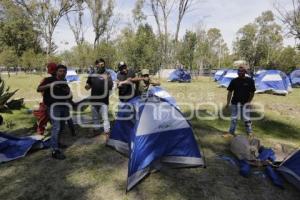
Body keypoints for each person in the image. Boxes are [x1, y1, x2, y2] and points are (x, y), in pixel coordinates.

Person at [37, 65, 73, 160]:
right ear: (56, 72)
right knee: (56, 127)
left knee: (61, 126)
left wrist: (69, 93)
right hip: (53, 107)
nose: (62, 73)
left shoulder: (64, 81)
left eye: (64, 71)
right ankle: (54, 150)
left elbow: (67, 93)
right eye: (60, 71)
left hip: (64, 106)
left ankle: (57, 142)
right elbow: (38, 89)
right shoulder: (49, 79)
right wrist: (49, 85)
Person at [224, 66, 256, 138]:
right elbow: (229, 92)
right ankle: (231, 133)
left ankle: (249, 133)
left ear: (245, 72)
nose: (240, 72)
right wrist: (228, 103)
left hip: (245, 103)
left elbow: (252, 93)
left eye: (242, 71)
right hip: (235, 103)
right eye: (239, 71)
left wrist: (248, 102)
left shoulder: (250, 81)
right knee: (234, 119)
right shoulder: (234, 81)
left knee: (247, 119)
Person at [85, 59, 113, 140]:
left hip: (103, 101)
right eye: (100, 64)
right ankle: (97, 130)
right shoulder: (92, 74)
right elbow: (88, 85)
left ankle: (107, 132)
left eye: (103, 64)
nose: (102, 66)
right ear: (96, 65)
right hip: (94, 100)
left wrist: (106, 79)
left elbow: (110, 86)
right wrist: (87, 86)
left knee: (105, 118)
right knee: (95, 118)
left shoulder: (107, 74)